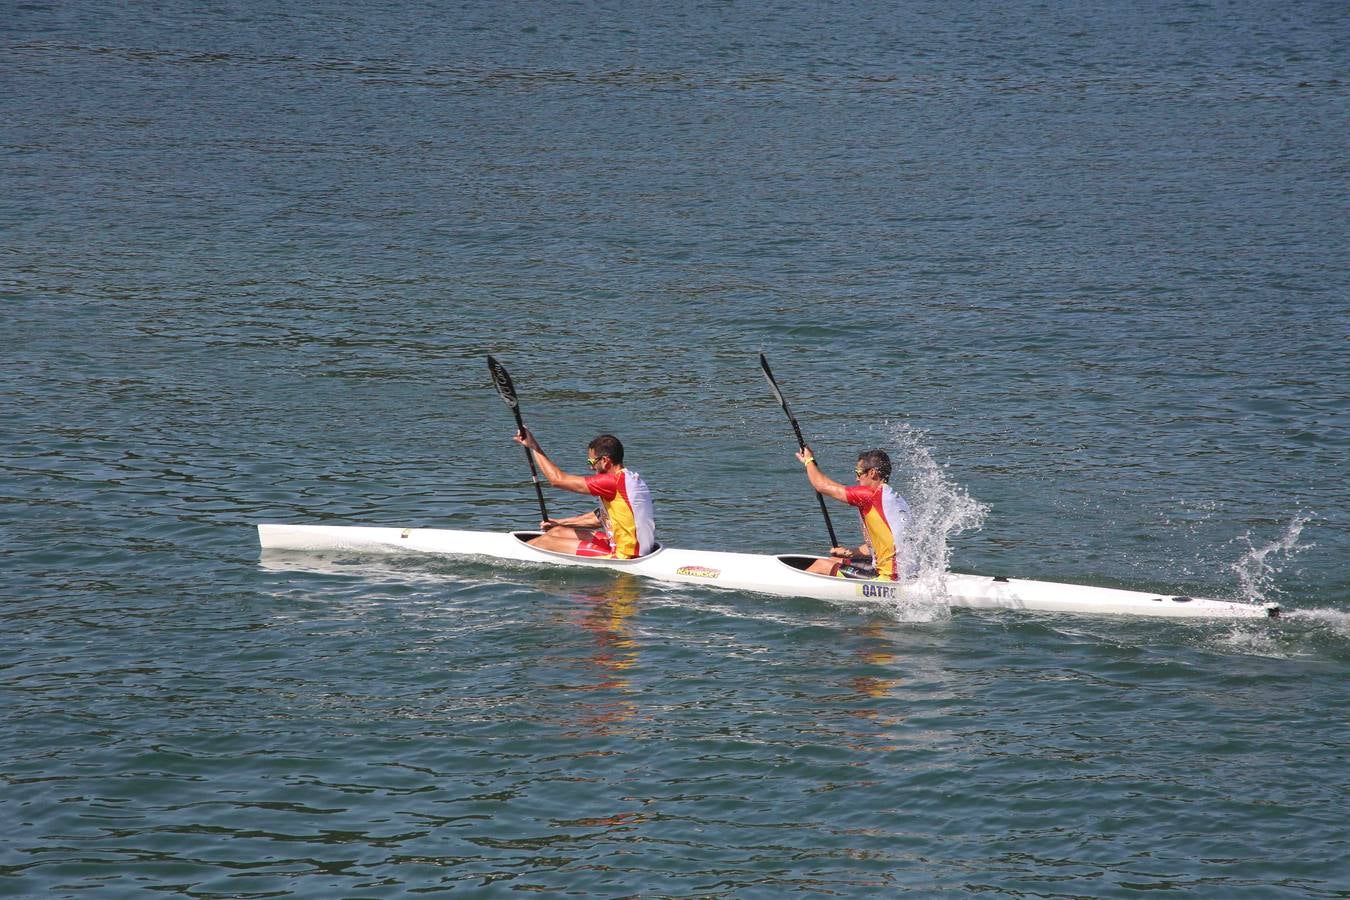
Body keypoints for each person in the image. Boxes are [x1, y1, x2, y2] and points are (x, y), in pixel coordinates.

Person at [512, 428, 656, 559]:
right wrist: (559, 523)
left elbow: (557, 480)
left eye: (591, 462)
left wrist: (533, 446)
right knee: (557, 532)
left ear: (605, 461)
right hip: (630, 546)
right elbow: (599, 518)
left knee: (547, 542)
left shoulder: (612, 481)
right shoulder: (631, 479)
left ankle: (513, 555)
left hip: (625, 556)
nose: (591, 467)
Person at [793, 446, 911, 580]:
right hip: (904, 573)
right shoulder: (895, 499)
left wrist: (809, 460)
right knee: (834, 560)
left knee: (821, 566)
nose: (856, 478)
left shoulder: (871, 495)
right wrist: (850, 552)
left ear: (872, 473)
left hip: (889, 578)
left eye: (858, 472)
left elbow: (821, 485)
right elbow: (884, 545)